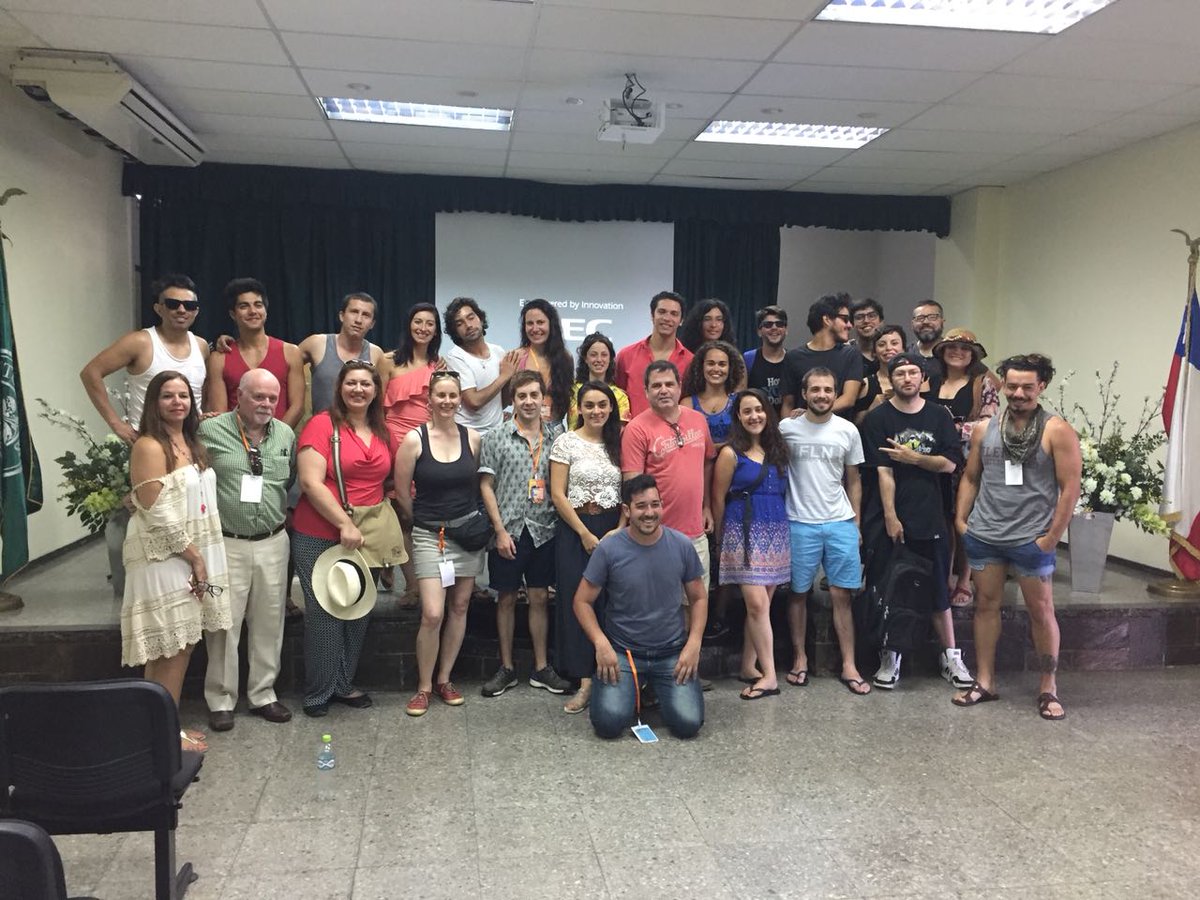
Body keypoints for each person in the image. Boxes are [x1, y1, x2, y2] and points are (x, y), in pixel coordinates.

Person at [953, 354, 1081, 721]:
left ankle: (1048, 687)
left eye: (1028, 386)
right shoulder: (985, 429)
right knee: (985, 606)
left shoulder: (1057, 430)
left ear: (1041, 386)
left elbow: (1070, 488)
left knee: (1041, 611)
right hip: (986, 533)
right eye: (1012, 386)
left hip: (1031, 538)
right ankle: (985, 681)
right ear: (1003, 386)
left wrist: (1051, 537)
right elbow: (971, 476)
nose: (1019, 393)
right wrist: (961, 520)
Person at [121, 371, 231, 753]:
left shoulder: (191, 442)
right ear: (154, 402)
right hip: (163, 557)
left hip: (187, 553)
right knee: (168, 646)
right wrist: (195, 556)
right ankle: (162, 737)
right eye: (167, 396)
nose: (177, 402)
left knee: (181, 644)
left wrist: (199, 555)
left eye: (183, 395)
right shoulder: (150, 446)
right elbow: (155, 512)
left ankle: (163, 729)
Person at [292, 360, 406, 717]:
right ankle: (318, 692)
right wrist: (343, 523)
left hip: (366, 534)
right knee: (326, 613)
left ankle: (343, 683)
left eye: (366, 384)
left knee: (358, 610)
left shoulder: (382, 429)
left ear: (376, 390)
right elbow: (310, 482)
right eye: (351, 383)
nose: (359, 390)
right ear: (340, 387)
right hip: (322, 532)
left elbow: (386, 480)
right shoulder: (322, 425)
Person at [859, 353, 974, 691]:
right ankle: (890, 654)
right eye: (899, 373)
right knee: (891, 586)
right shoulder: (878, 418)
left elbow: (951, 464)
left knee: (939, 587)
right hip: (888, 519)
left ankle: (951, 655)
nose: (906, 378)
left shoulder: (939, 416)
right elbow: (884, 471)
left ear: (923, 378)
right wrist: (892, 517)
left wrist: (915, 458)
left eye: (913, 372)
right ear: (890, 379)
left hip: (930, 515)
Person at [198, 369, 296, 732]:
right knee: (224, 623)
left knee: (270, 620)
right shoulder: (209, 430)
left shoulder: (285, 434)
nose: (266, 404)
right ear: (239, 396)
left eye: (272, 397)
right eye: (258, 396)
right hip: (227, 542)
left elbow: (290, 481)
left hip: (273, 540)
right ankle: (221, 699)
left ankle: (263, 694)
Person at [574, 475, 707, 740]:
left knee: (688, 723)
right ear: (627, 510)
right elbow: (581, 601)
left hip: (671, 652)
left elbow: (699, 598)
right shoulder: (609, 549)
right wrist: (601, 644)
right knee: (608, 723)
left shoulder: (681, 545)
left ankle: (654, 688)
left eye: (655, 505)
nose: (649, 513)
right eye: (641, 506)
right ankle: (635, 689)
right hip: (624, 654)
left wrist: (694, 644)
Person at [393, 371, 485, 717]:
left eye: (453, 395)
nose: (447, 401)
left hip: (467, 536)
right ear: (428, 399)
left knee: (459, 607)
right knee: (432, 612)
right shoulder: (414, 441)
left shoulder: (473, 438)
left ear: (460, 399)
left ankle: (445, 679)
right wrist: (423, 522)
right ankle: (424, 686)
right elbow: (402, 492)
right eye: (441, 395)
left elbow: (475, 486)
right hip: (431, 535)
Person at [478, 371, 570, 698]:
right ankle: (506, 668)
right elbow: (486, 487)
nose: (529, 402)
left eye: (534, 395)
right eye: (522, 396)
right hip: (508, 532)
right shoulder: (495, 437)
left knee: (540, 597)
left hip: (544, 529)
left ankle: (542, 668)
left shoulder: (558, 437)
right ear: (513, 400)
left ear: (543, 398)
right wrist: (499, 531)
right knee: (505, 598)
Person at [781, 368, 869, 695]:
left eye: (828, 390)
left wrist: (856, 524)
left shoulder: (848, 431)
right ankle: (800, 659)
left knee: (842, 595)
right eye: (815, 389)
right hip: (798, 521)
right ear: (804, 393)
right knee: (798, 594)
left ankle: (849, 664)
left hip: (839, 522)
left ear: (836, 394)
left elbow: (854, 480)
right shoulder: (786, 427)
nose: (821, 395)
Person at [550, 381, 626, 714]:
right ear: (579, 408)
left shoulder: (620, 443)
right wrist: (582, 533)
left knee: (612, 601)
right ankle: (584, 681)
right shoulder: (565, 442)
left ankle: (614, 675)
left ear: (612, 408)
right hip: (575, 530)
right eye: (590, 405)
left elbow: (631, 490)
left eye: (603, 405)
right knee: (577, 600)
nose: (597, 411)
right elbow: (557, 494)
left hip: (614, 530)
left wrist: (620, 531)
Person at [711, 389, 790, 700]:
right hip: (742, 532)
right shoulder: (731, 453)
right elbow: (718, 498)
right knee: (757, 604)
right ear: (738, 418)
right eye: (747, 411)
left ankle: (748, 664)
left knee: (762, 607)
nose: (754, 416)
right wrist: (720, 540)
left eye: (759, 409)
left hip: (775, 530)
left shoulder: (777, 450)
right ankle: (769, 675)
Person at [81, 273, 209, 445]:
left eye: (189, 305)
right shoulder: (140, 342)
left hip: (192, 442)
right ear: (158, 308)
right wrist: (116, 424)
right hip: (149, 443)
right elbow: (90, 373)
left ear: (196, 311)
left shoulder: (201, 346)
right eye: (173, 304)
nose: (181, 310)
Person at [621, 360, 717, 590]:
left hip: (696, 534)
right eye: (656, 386)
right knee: (663, 606)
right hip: (656, 536)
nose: (663, 390)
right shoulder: (636, 429)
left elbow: (707, 463)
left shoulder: (698, 419)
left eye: (669, 384)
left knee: (697, 603)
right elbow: (632, 488)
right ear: (645, 391)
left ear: (679, 386)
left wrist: (706, 507)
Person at [932, 328, 1001, 607]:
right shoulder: (931, 381)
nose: (957, 352)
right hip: (936, 462)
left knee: (965, 520)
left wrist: (950, 428)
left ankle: (964, 580)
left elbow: (989, 423)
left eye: (964, 348)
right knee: (943, 521)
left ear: (973, 355)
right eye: (952, 347)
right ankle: (944, 578)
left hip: (968, 462)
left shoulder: (982, 382)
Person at [380, 303, 442, 596]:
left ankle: (407, 573)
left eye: (430, 323)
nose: (423, 328)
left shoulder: (439, 365)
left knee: (418, 514)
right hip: (393, 438)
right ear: (409, 325)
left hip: (426, 440)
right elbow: (374, 406)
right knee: (399, 513)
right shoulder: (388, 360)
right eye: (418, 322)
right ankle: (413, 587)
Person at [204, 278, 305, 428]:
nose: (252, 311)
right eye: (244, 306)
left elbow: (297, 407)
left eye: (258, 305)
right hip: (234, 443)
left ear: (265, 310)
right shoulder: (220, 358)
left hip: (279, 444)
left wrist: (276, 440)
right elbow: (219, 412)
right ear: (233, 314)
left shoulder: (290, 352)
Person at [441, 296, 519, 436]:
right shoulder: (455, 357)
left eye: (471, 317)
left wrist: (511, 379)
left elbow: (504, 401)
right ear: (455, 332)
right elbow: (474, 402)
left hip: (497, 434)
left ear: (481, 319)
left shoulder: (498, 351)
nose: (468, 325)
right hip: (467, 436)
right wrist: (504, 377)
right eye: (460, 323)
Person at [297, 292, 386, 414]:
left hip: (359, 429)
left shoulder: (376, 354)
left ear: (372, 324)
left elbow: (380, 402)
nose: (358, 320)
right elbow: (283, 369)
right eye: (354, 312)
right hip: (322, 427)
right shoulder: (316, 344)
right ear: (342, 316)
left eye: (366, 315)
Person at [779, 296, 863, 419]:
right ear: (827, 319)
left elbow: (848, 399)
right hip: (802, 432)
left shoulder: (851, 354)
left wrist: (810, 414)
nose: (850, 325)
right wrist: (786, 431)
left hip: (837, 433)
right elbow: (788, 404)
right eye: (845, 319)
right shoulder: (793, 357)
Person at [614, 290, 693, 420]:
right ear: (652, 315)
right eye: (662, 312)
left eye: (674, 314)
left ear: (681, 320)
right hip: (633, 435)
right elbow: (618, 398)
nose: (667, 318)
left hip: (673, 436)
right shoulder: (626, 355)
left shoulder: (691, 361)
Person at [512, 298, 574, 424]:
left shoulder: (566, 358)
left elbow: (567, 400)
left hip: (554, 429)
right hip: (523, 428)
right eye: (530, 323)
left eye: (540, 322)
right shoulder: (516, 357)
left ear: (551, 325)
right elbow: (506, 400)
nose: (535, 329)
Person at [681, 340, 746, 447]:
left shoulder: (739, 401)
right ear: (701, 367)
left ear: (730, 368)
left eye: (722, 364)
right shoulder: (687, 403)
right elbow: (684, 444)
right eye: (710, 363)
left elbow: (746, 440)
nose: (716, 369)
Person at [568, 332, 630, 428]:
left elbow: (620, 432)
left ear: (610, 359)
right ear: (585, 358)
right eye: (593, 355)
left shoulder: (620, 396)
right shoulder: (572, 391)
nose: (599, 359)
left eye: (604, 355)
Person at [743, 306, 789, 417]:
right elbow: (741, 396)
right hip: (755, 424)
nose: (774, 328)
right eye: (768, 325)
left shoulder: (793, 360)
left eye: (779, 324)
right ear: (759, 331)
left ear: (786, 330)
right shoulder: (748, 359)